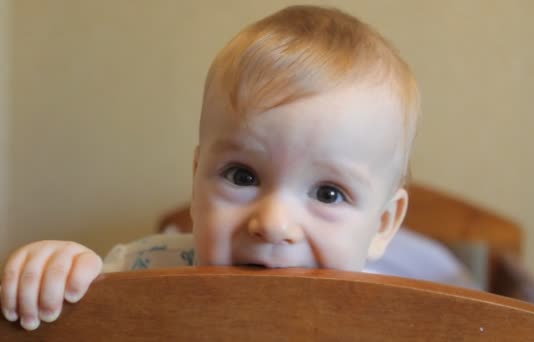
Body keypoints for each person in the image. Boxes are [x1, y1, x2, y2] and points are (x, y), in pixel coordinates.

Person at [1, 5, 439, 331]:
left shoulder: (396, 316)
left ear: (382, 224)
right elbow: (87, 314)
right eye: (242, 176)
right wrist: (59, 273)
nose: (272, 224)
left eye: (328, 193)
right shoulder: (146, 271)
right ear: (196, 183)